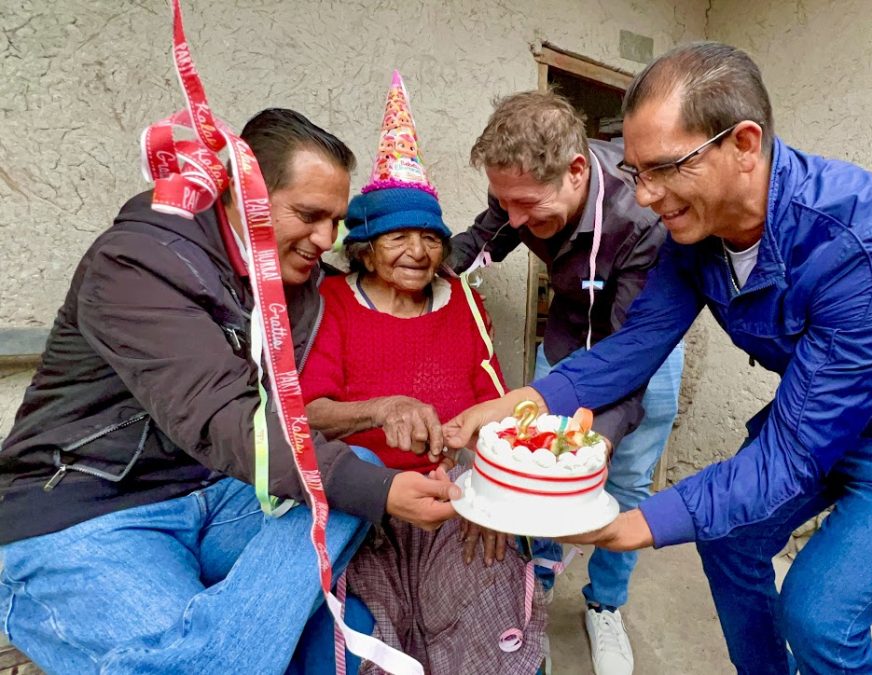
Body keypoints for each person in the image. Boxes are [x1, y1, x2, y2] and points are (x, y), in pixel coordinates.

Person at [445, 42, 872, 674]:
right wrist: (519, 402)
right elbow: (636, 344)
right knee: (728, 540)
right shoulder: (697, 233)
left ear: (744, 144)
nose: (646, 195)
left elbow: (795, 455)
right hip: (827, 409)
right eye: (636, 171)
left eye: (664, 168)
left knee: (820, 616)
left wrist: (623, 527)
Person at [0, 108, 459, 674]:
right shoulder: (136, 263)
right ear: (242, 193)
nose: (325, 239)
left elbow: (386, 289)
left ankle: (211, 649)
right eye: (309, 215)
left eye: (336, 221)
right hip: (88, 507)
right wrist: (382, 490)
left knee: (357, 475)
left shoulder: (291, 277)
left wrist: (386, 424)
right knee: (356, 488)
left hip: (210, 495)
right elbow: (224, 416)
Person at [299, 72, 545, 675]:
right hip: (364, 498)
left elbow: (496, 409)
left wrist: (489, 497)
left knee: (484, 602)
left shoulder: (463, 302)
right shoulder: (333, 301)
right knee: (374, 632)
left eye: (431, 237)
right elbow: (307, 412)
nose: (418, 251)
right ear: (365, 246)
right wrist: (383, 408)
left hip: (455, 493)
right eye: (398, 237)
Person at [447, 91, 682, 675]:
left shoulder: (643, 219)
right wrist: (423, 266)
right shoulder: (516, 193)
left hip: (641, 344)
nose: (514, 218)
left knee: (623, 479)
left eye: (527, 204)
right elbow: (485, 237)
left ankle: (605, 604)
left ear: (577, 170)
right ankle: (539, 579)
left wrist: (592, 442)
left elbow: (629, 358)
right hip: (565, 341)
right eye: (504, 201)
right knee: (537, 474)